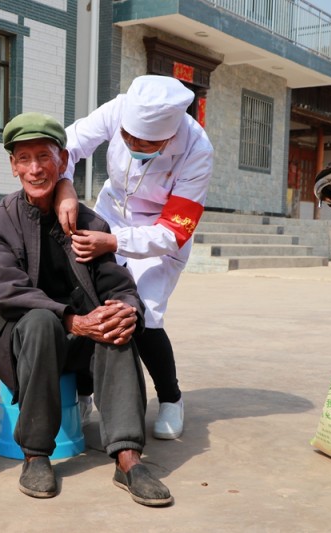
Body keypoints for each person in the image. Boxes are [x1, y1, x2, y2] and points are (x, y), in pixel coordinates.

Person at [0, 111, 173, 507]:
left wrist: (125, 310)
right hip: (25, 340)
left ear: (63, 161)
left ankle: (127, 457)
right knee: (39, 322)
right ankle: (35, 454)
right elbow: (6, 291)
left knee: (114, 325)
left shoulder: (88, 221)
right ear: (13, 166)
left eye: (45, 157)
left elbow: (119, 283)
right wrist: (72, 319)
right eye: (24, 158)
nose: (35, 169)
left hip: (80, 340)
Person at [55, 75, 214, 440]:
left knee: (143, 313)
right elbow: (67, 146)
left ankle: (171, 398)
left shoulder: (197, 150)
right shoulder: (120, 109)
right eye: (127, 137)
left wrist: (113, 242)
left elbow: (173, 232)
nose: (133, 144)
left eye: (146, 142)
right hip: (110, 213)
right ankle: (83, 392)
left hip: (157, 234)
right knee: (87, 301)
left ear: (170, 136)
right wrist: (66, 186)